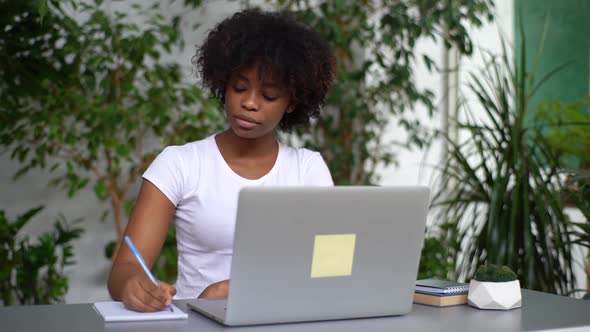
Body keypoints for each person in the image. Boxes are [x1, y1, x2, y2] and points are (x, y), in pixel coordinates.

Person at [107, 8, 336, 312]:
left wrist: (237, 290)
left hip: (281, 319)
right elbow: (124, 268)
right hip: (197, 321)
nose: (249, 103)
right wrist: (133, 285)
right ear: (223, 84)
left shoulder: (307, 170)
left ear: (291, 102)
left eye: (268, 96)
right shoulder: (180, 163)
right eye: (239, 88)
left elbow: (330, 269)